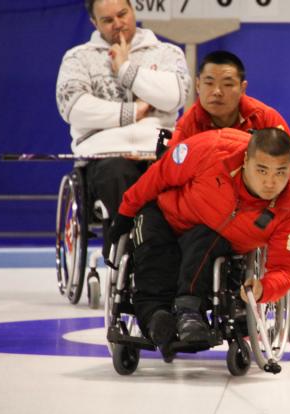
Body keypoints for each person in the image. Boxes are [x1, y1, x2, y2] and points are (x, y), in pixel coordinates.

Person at [108, 127, 290, 361]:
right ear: (246, 160)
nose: (270, 182)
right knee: (153, 251)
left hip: (210, 240)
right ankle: (156, 320)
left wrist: (264, 288)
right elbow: (158, 174)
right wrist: (124, 213)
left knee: (208, 240)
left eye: (280, 172)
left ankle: (189, 313)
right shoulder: (212, 149)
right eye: (262, 170)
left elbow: (285, 269)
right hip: (165, 214)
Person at [55, 0, 190, 254]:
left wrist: (127, 71)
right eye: (107, 20)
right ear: (94, 23)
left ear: (133, 10)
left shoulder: (167, 53)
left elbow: (175, 95)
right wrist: (133, 112)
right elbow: (73, 108)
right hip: (107, 156)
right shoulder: (78, 58)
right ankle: (131, 255)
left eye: (122, 14)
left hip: (159, 152)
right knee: (117, 173)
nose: (118, 24)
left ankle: (163, 260)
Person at [168, 50, 290, 146]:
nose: (217, 92)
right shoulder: (187, 126)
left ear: (242, 88)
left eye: (227, 84)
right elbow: (170, 174)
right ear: (198, 85)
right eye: (209, 83)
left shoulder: (266, 119)